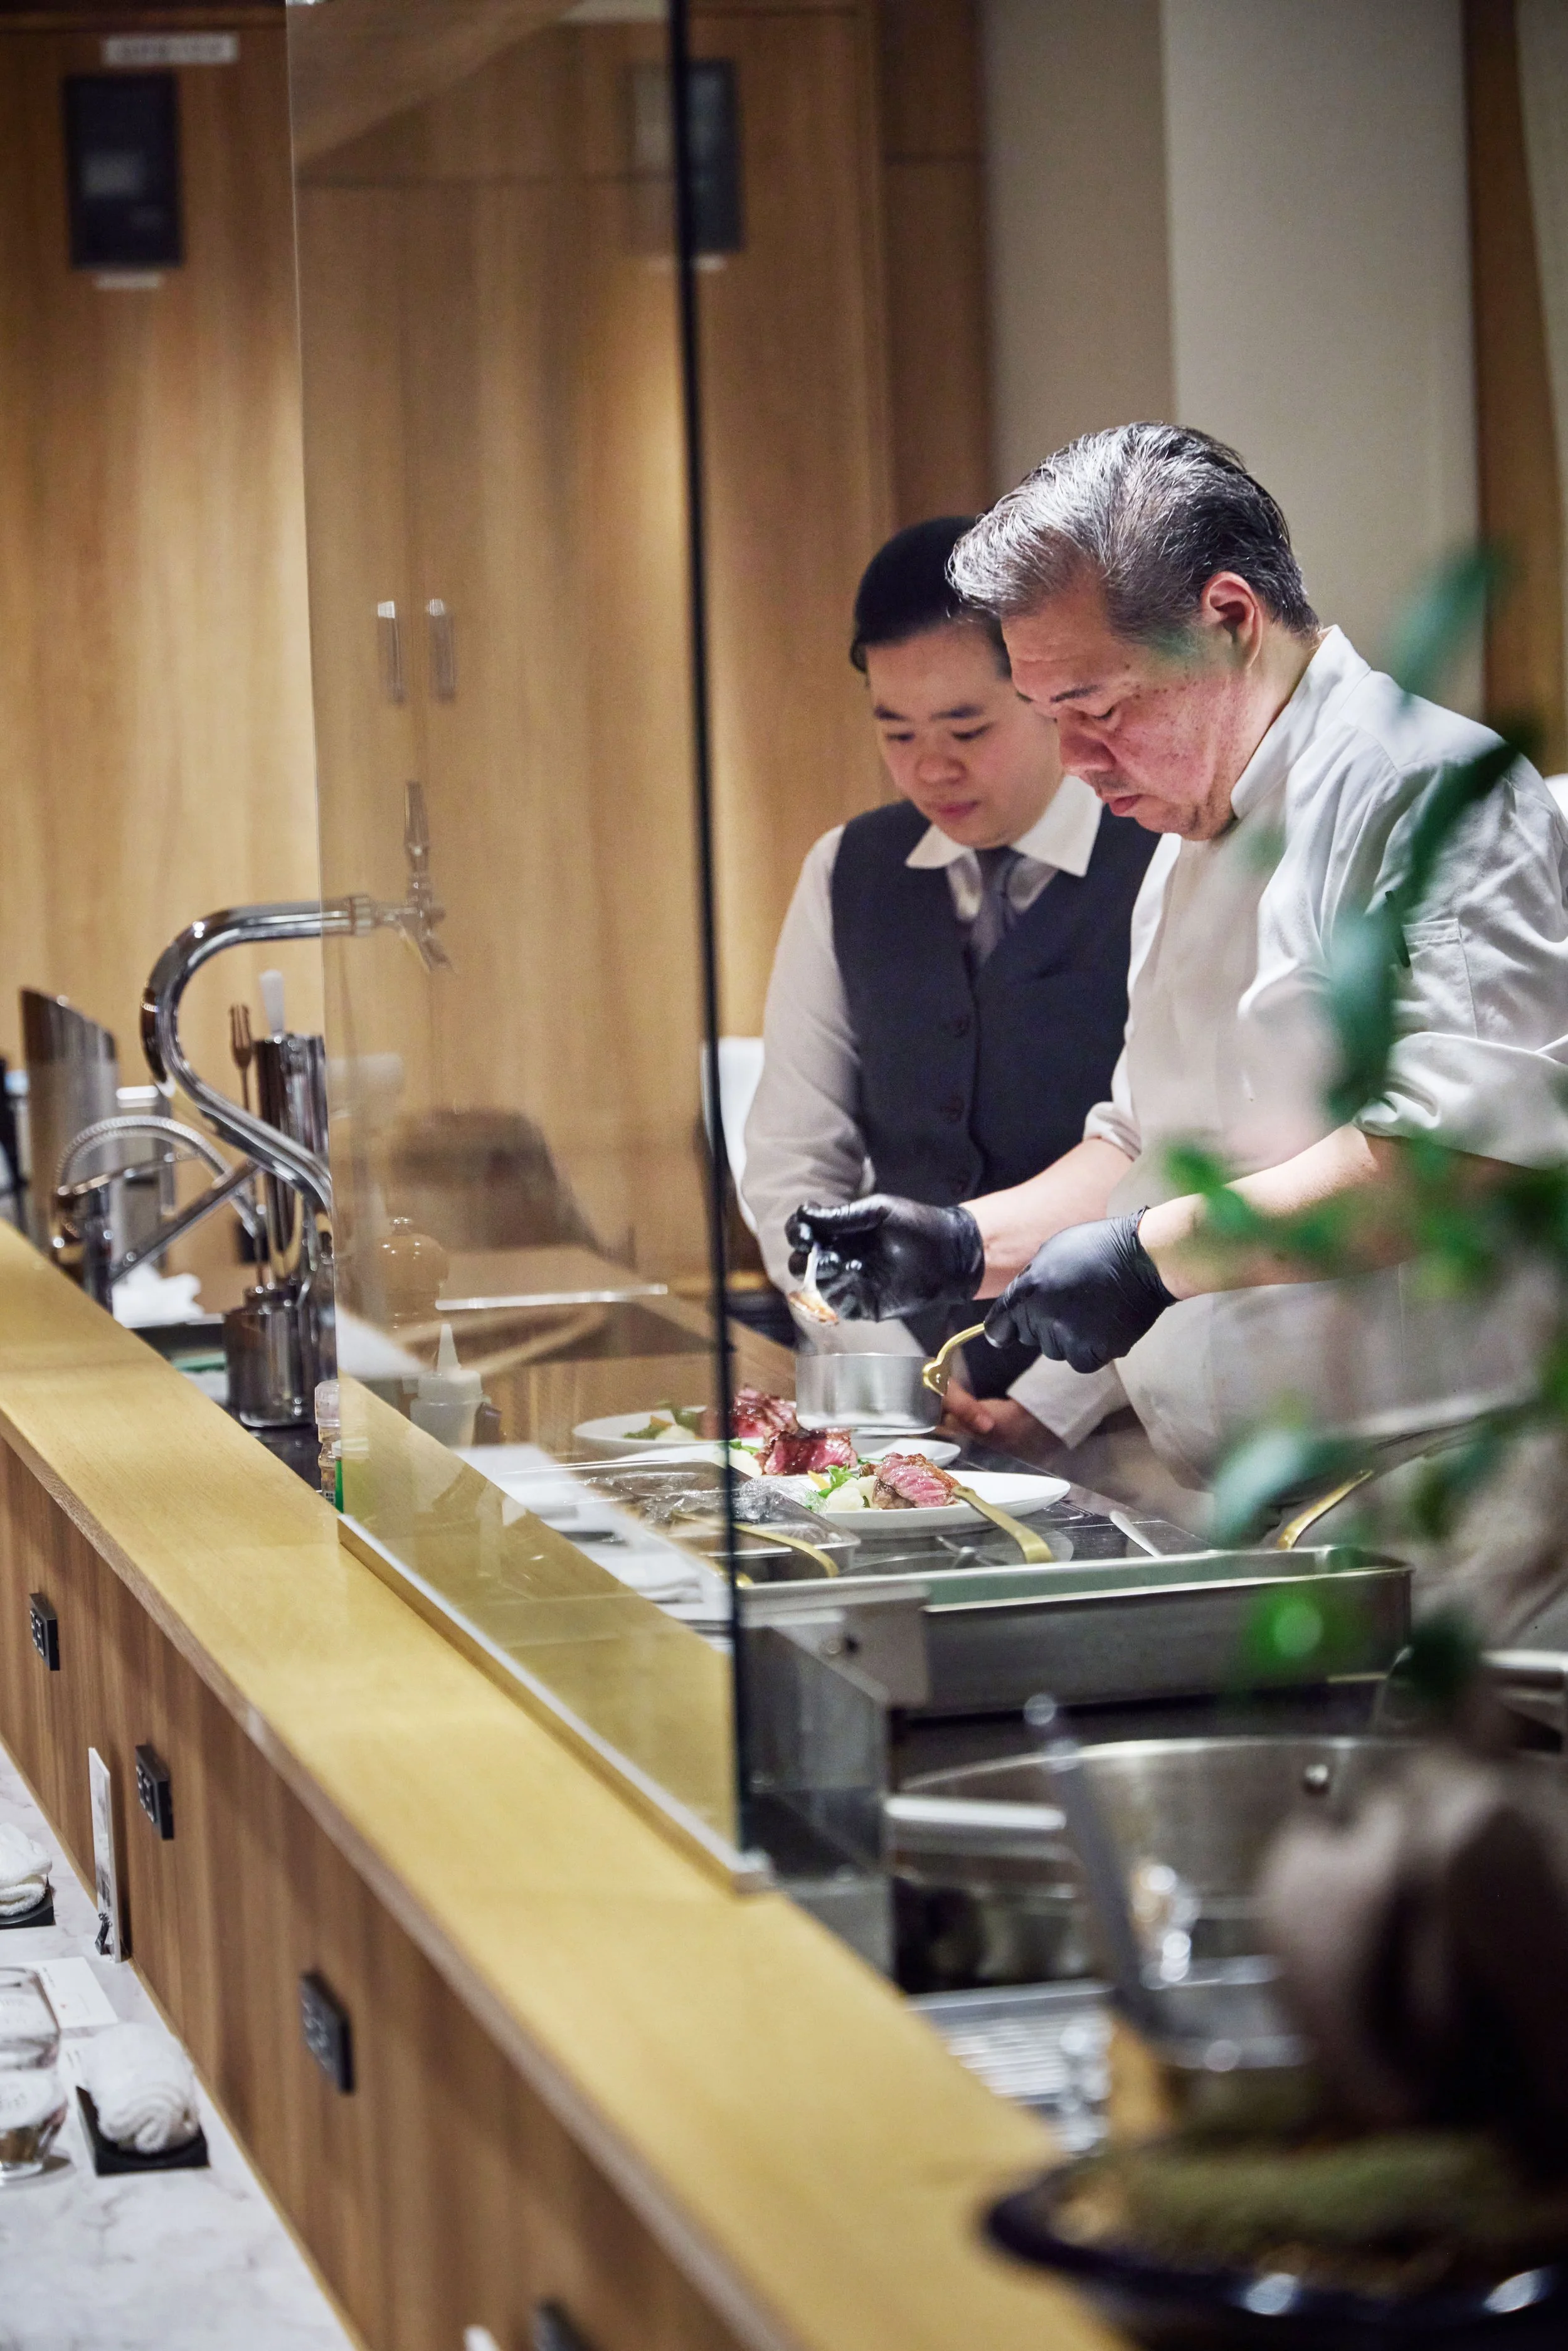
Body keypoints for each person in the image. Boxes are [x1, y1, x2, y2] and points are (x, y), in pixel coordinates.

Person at [787, 426, 1568, 1516]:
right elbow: (1148, 1145)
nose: (1074, 760)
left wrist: (1151, 1260)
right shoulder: (1191, 831)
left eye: (1100, 710)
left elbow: (1452, 1163)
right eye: (1051, 717)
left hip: (1448, 1500)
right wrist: (969, 1243)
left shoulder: (1428, 790)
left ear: (1232, 622)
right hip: (1248, 1502)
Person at [741, 515, 1161, 1401]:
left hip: (1125, 1404)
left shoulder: (1161, 853)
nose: (931, 769)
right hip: (897, 1395)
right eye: (897, 734)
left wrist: (1056, 1404)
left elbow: (1185, 1158)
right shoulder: (847, 871)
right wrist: (885, 1358)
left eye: (966, 731)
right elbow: (792, 1156)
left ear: (1048, 695)